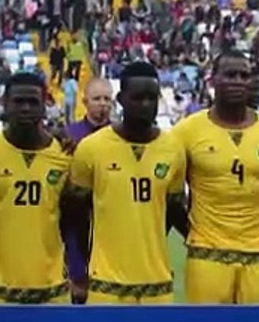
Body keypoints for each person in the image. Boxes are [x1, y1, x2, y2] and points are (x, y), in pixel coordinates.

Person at [171, 51, 259, 304]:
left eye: (244, 75)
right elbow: (170, 196)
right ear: (212, 80)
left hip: (257, 254)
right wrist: (194, 231)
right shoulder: (186, 131)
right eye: (230, 74)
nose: (237, 81)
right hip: (206, 255)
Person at [66, 62, 188, 305]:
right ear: (120, 99)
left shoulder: (173, 149)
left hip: (158, 285)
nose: (145, 105)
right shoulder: (92, 148)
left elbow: (173, 210)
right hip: (105, 286)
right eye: (138, 98)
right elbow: (76, 217)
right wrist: (81, 268)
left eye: (151, 98)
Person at [0, 72, 73, 304]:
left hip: (53, 290)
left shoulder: (64, 155)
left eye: (33, 102)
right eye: (18, 102)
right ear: (5, 105)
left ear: (45, 106)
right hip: (0, 292)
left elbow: (75, 214)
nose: (25, 108)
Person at [62, 77, 113, 303]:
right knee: (79, 290)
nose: (103, 104)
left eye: (107, 99)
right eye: (97, 99)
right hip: (76, 220)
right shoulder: (69, 135)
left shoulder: (119, 135)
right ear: (85, 101)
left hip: (111, 220)